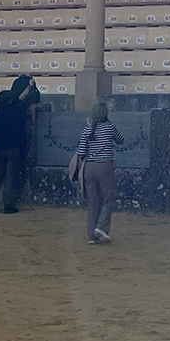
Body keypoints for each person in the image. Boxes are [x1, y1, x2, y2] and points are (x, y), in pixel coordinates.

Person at [0, 76, 40, 214]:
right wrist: (30, 86)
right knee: (11, 177)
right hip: (13, 148)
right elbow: (24, 99)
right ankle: (9, 206)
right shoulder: (17, 111)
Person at [67, 102, 121, 244]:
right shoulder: (109, 127)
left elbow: (82, 151)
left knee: (93, 201)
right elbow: (120, 140)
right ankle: (101, 228)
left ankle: (92, 235)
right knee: (108, 197)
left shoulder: (88, 129)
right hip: (104, 166)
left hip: (89, 168)